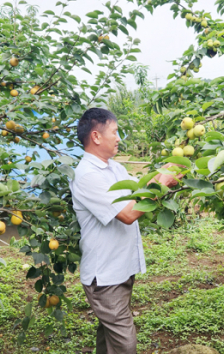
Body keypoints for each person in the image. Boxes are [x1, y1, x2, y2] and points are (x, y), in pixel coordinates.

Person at [70, 107, 180, 354]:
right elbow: (128, 214)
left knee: (109, 336)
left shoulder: (115, 170)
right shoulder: (87, 175)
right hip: (105, 276)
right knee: (125, 343)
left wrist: (163, 175)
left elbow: (137, 197)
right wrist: (160, 183)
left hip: (119, 269)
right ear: (97, 136)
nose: (119, 138)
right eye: (115, 132)